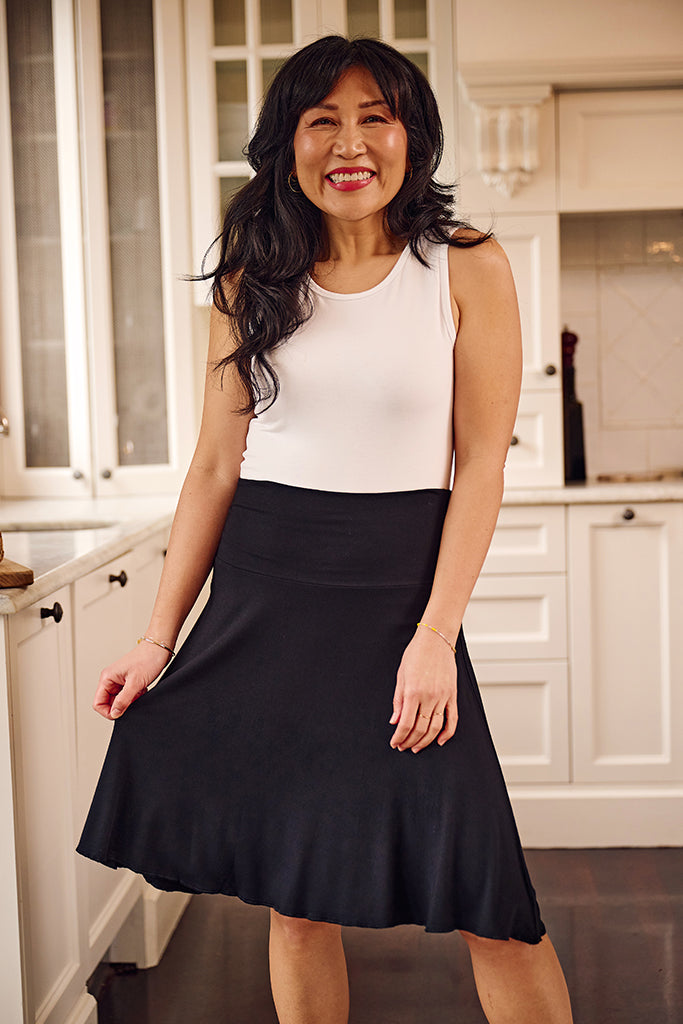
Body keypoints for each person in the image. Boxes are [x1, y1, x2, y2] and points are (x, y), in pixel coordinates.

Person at [77, 35, 573, 1024]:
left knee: (491, 903)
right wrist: (157, 639)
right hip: (265, 600)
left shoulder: (463, 264)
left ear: (410, 137)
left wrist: (434, 636)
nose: (349, 144)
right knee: (297, 900)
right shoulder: (250, 276)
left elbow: (480, 463)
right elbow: (215, 466)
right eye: (322, 121)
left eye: (373, 119)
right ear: (287, 143)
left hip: (398, 608)